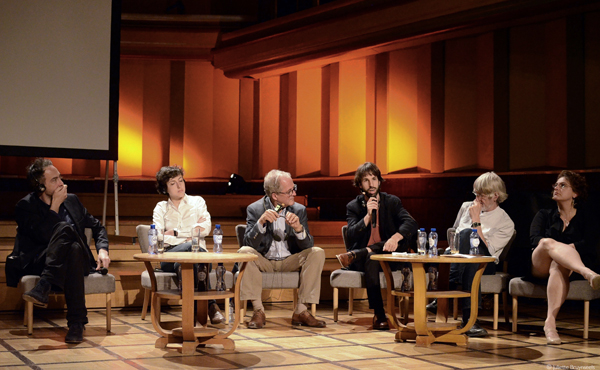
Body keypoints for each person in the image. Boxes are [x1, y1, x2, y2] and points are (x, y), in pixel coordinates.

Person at [10, 158, 110, 344]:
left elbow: (98, 227)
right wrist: (54, 206)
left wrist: (103, 250)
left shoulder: (72, 200)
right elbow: (43, 236)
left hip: (77, 262)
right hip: (42, 260)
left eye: (60, 178)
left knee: (69, 239)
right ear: (40, 186)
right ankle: (77, 323)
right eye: (54, 180)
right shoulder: (25, 207)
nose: (61, 183)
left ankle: (44, 285)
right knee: (68, 239)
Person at [427, 171, 514, 337]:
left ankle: (441, 298)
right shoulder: (466, 206)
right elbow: (454, 237)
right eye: (476, 194)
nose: (478, 199)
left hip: (485, 263)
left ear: (495, 195)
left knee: (468, 235)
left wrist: (476, 222)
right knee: (465, 246)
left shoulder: (505, 222)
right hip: (459, 259)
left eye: (482, 195)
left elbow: (490, 251)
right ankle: (470, 320)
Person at [238, 169, 326, 329]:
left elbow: (308, 246)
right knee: (244, 253)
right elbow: (248, 244)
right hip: (264, 261)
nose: (294, 193)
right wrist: (261, 223)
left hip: (289, 261)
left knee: (317, 252)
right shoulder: (255, 209)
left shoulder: (299, 210)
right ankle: (258, 311)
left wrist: (299, 229)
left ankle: (301, 310)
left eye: (294, 188)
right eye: (289, 191)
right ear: (275, 196)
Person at [336, 162, 418, 330]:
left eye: (374, 179)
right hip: (367, 262)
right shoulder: (353, 206)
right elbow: (350, 235)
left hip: (390, 256)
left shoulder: (392, 202)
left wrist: (395, 237)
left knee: (379, 251)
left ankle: (360, 253)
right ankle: (379, 314)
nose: (371, 184)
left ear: (380, 181)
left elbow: (411, 222)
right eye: (366, 180)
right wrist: (367, 217)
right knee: (371, 258)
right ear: (360, 184)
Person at [528, 170, 600, 345]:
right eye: (556, 185)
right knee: (546, 242)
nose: (556, 188)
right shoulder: (544, 214)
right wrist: (558, 248)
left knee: (558, 264)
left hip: (567, 266)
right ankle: (587, 272)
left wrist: (567, 251)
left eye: (563, 185)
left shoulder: (585, 216)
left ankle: (550, 323)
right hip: (539, 262)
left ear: (575, 193)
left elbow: (591, 242)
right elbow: (534, 240)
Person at [153, 166, 225, 324]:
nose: (179, 186)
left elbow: (205, 229)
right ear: (165, 188)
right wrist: (190, 235)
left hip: (196, 257)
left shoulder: (198, 201)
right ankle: (211, 307)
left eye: (181, 181)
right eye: (173, 183)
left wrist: (176, 233)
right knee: (194, 247)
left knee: (191, 259)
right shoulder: (161, 208)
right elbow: (158, 237)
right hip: (169, 257)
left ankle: (192, 316)